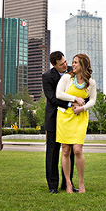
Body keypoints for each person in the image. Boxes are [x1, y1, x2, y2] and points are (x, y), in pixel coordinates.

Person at [56, 53, 97, 193]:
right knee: (66, 150)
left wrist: (82, 107)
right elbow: (58, 93)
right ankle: (68, 183)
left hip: (80, 117)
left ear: (83, 65)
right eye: (72, 62)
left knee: (77, 150)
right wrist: (75, 98)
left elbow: (92, 100)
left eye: (76, 63)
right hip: (65, 117)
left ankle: (81, 183)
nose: (72, 65)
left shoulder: (90, 82)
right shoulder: (67, 78)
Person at [42, 51, 74, 194]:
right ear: (54, 65)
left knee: (69, 152)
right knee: (52, 153)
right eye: (62, 65)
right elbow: (52, 98)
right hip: (54, 119)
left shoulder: (73, 72)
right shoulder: (47, 77)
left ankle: (67, 183)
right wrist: (69, 104)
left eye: (66, 62)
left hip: (70, 119)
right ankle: (53, 186)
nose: (65, 65)